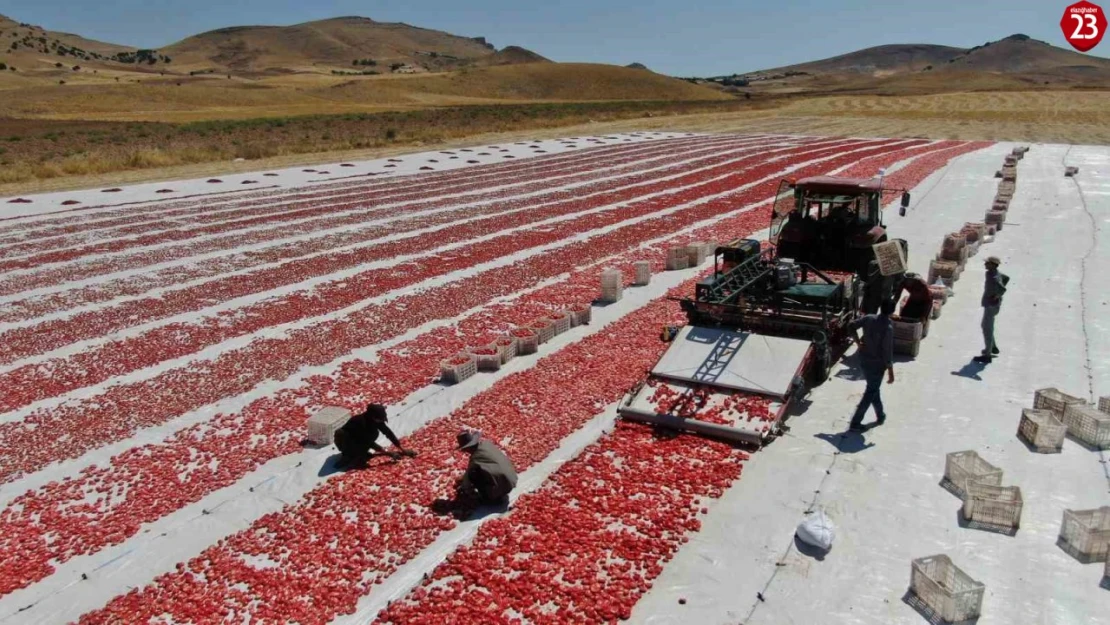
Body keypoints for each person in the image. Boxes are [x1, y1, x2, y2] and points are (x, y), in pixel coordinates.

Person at [847, 298, 896, 432]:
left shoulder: (868, 318)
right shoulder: (888, 327)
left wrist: (857, 342)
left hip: (864, 361)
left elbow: (851, 325)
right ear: (893, 311)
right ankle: (855, 422)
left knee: (874, 389)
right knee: (870, 392)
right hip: (877, 365)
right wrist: (891, 371)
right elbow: (887, 351)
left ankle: (880, 415)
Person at [333, 403, 417, 469]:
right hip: (347, 441)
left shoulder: (377, 420)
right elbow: (368, 442)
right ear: (373, 417)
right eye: (380, 419)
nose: (381, 421)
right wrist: (388, 453)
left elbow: (388, 432)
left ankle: (360, 453)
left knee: (372, 437)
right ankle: (346, 456)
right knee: (357, 454)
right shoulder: (361, 422)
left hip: (361, 440)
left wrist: (402, 449)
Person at [455, 429, 518, 506]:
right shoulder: (487, 444)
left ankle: (494, 497)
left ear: (467, 448)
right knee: (478, 470)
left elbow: (467, 478)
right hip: (512, 478)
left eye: (464, 449)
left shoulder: (475, 457)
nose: (465, 451)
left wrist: (464, 489)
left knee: (474, 474)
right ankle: (498, 490)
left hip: (505, 485)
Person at [974, 256, 1009, 364]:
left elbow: (1003, 289)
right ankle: (992, 347)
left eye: (987, 263)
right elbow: (1006, 278)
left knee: (987, 329)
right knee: (986, 326)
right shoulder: (991, 273)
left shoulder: (993, 277)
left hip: (991, 306)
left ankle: (987, 356)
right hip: (991, 305)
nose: (985, 264)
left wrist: (996, 296)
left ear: (993, 265)